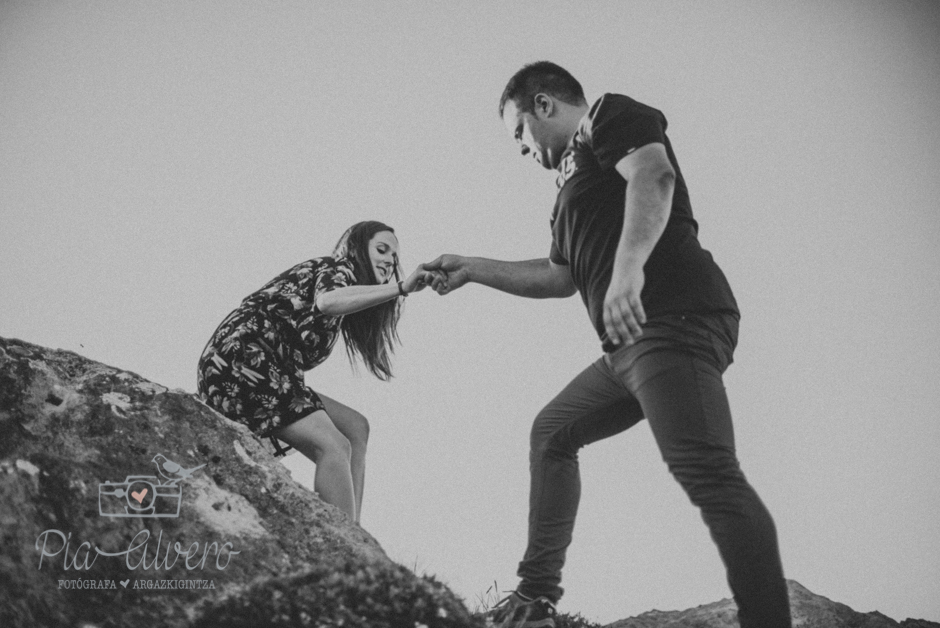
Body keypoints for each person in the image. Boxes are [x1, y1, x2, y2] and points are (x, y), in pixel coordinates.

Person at [423, 62, 791, 628]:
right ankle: (534, 600)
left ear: (544, 104)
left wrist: (627, 272)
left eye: (518, 133)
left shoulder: (606, 116)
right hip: (628, 348)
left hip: (674, 316)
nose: (520, 150)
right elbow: (557, 276)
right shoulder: (568, 187)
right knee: (552, 432)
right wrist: (471, 267)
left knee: (708, 473)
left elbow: (655, 175)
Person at [197, 220, 436, 524]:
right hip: (242, 358)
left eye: (394, 257)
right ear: (357, 248)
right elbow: (327, 301)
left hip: (266, 367)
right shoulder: (339, 268)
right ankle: (344, 549)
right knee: (334, 445)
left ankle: (353, 530)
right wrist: (400, 288)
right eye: (382, 249)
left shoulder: (343, 286)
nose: (390, 260)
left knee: (355, 427)